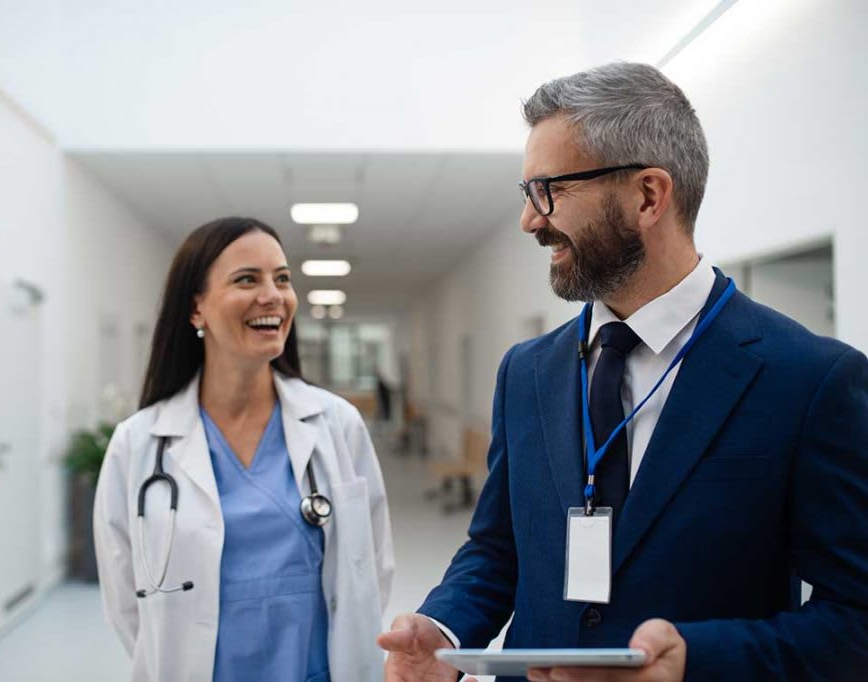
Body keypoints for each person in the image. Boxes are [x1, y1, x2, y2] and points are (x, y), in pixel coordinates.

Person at [379, 62, 868, 681]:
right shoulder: (526, 371)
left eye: (548, 190)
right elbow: (498, 548)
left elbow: (855, 618)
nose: (531, 219)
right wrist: (444, 629)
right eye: (527, 194)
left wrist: (695, 661)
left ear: (647, 195)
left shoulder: (810, 380)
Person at [94, 217, 394, 682]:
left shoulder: (336, 425)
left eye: (282, 279)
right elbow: (126, 601)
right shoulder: (138, 444)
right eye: (246, 279)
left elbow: (370, 569)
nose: (272, 295)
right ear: (196, 309)